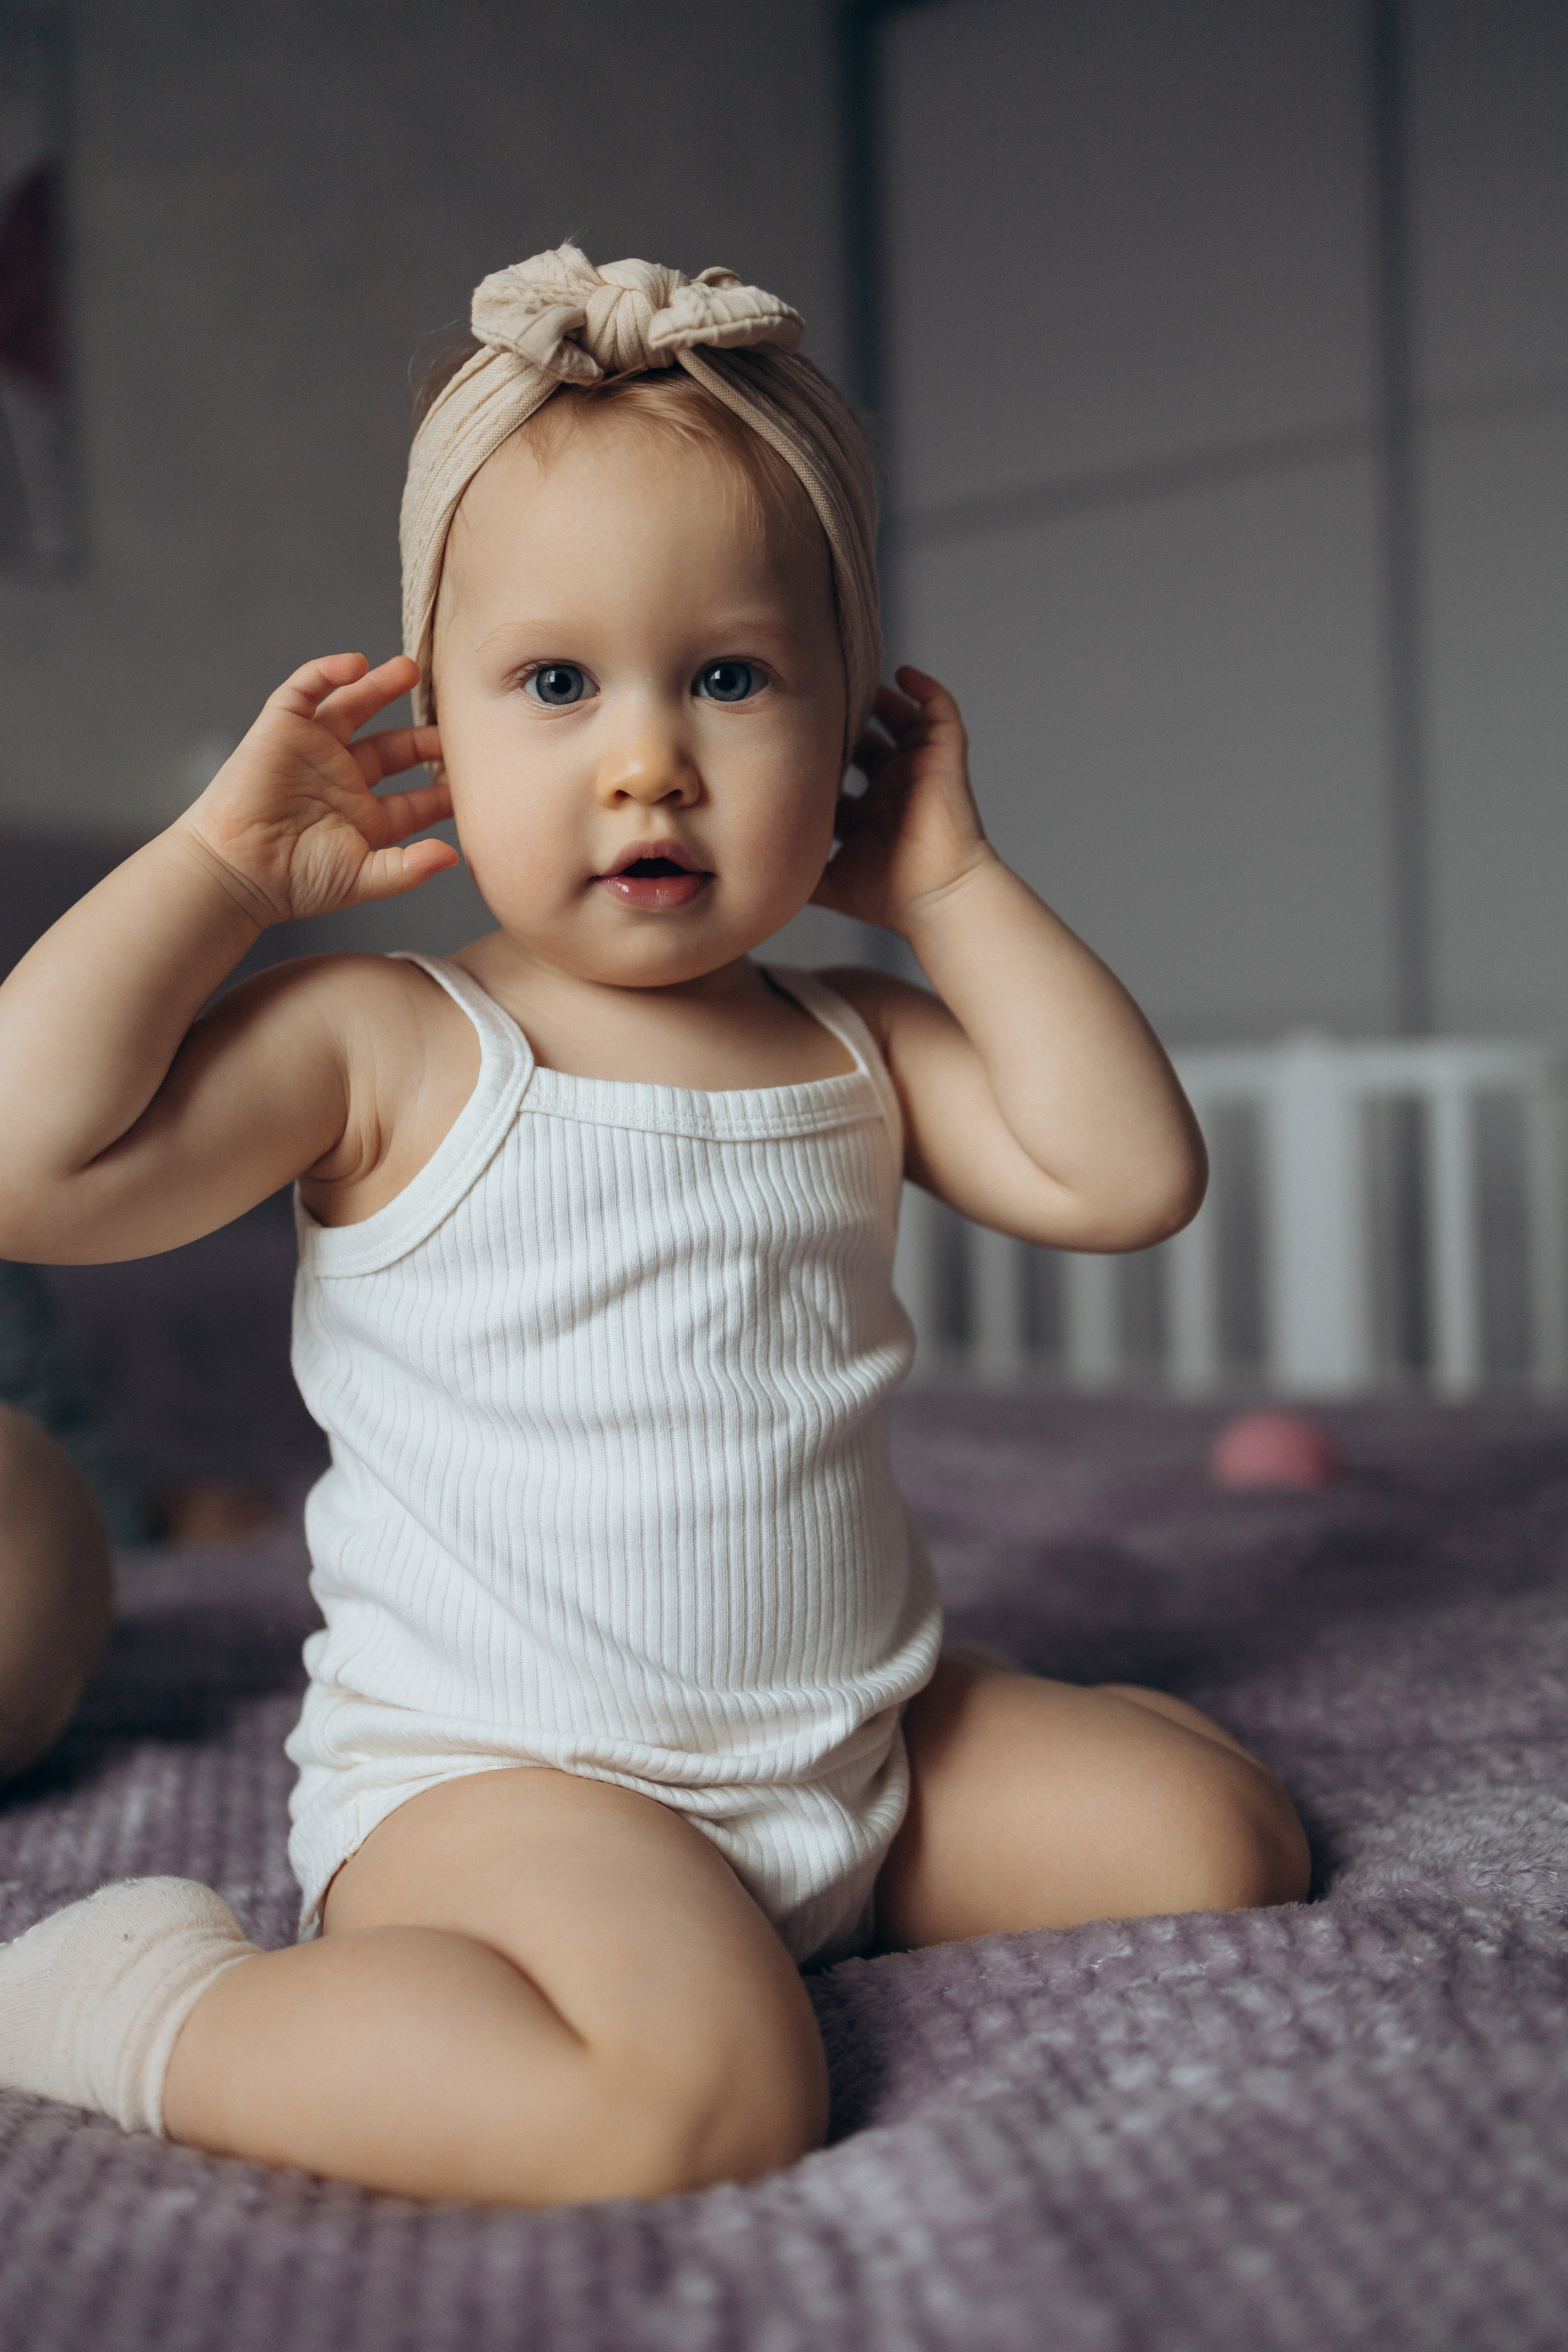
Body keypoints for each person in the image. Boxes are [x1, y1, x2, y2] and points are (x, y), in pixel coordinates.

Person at [0, 246, 1309, 2206]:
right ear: (435, 723)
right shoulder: (390, 1042)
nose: (648, 760)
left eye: (730, 678)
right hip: (511, 1792)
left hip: (848, 1756)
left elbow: (1129, 1180)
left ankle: (805, 1887)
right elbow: (28, 1161)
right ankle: (142, 2002)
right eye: (556, 683)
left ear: (849, 728)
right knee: (690, 2107)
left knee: (1221, 1844)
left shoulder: (858, 1040)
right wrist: (212, 875)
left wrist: (951, 890)